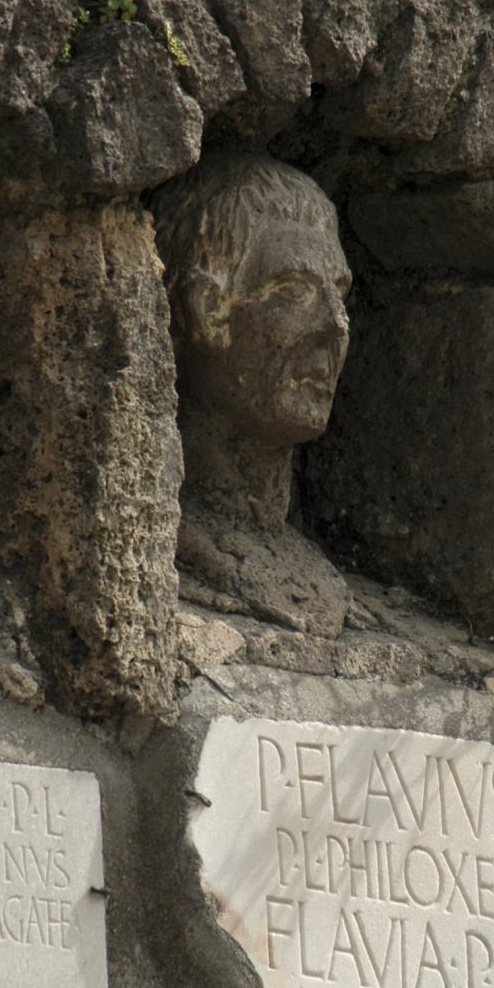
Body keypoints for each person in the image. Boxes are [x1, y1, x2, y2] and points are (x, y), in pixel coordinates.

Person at [152, 154, 353, 638]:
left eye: (340, 294)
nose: (336, 324)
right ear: (207, 311)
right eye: (295, 289)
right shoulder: (156, 546)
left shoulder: (323, 580)